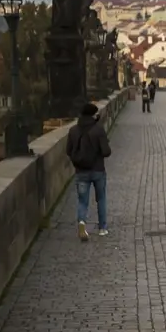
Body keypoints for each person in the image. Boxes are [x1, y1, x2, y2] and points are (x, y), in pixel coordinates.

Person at [66, 102, 111, 240]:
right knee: (101, 198)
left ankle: (81, 223)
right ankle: (102, 228)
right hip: (97, 170)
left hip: (81, 171)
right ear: (93, 115)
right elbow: (106, 152)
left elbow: (68, 150)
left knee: (82, 201)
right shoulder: (98, 130)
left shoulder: (73, 130)